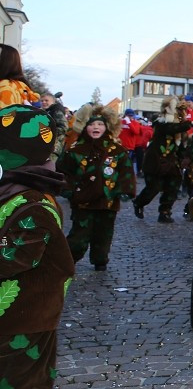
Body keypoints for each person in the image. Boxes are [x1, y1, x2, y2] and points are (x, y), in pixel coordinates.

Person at [0, 105, 75, 389]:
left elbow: (15, 257)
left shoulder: (32, 204)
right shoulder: (13, 192)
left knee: (20, 385)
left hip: (27, 316)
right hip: (15, 315)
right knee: (17, 380)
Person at [58, 104, 136, 271]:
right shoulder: (75, 150)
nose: (96, 127)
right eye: (92, 124)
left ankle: (100, 259)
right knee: (79, 235)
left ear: (107, 127)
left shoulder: (117, 150)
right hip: (82, 200)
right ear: (85, 127)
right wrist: (67, 189)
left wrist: (125, 190)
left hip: (108, 201)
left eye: (100, 124)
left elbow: (126, 171)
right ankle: (68, 260)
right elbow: (64, 172)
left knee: (104, 233)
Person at [133, 97, 193, 224]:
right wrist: (188, 124)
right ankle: (139, 203)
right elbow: (170, 128)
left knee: (173, 187)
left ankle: (165, 212)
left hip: (172, 162)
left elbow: (182, 146)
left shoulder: (181, 128)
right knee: (153, 188)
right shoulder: (160, 122)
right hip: (155, 161)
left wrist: (184, 159)